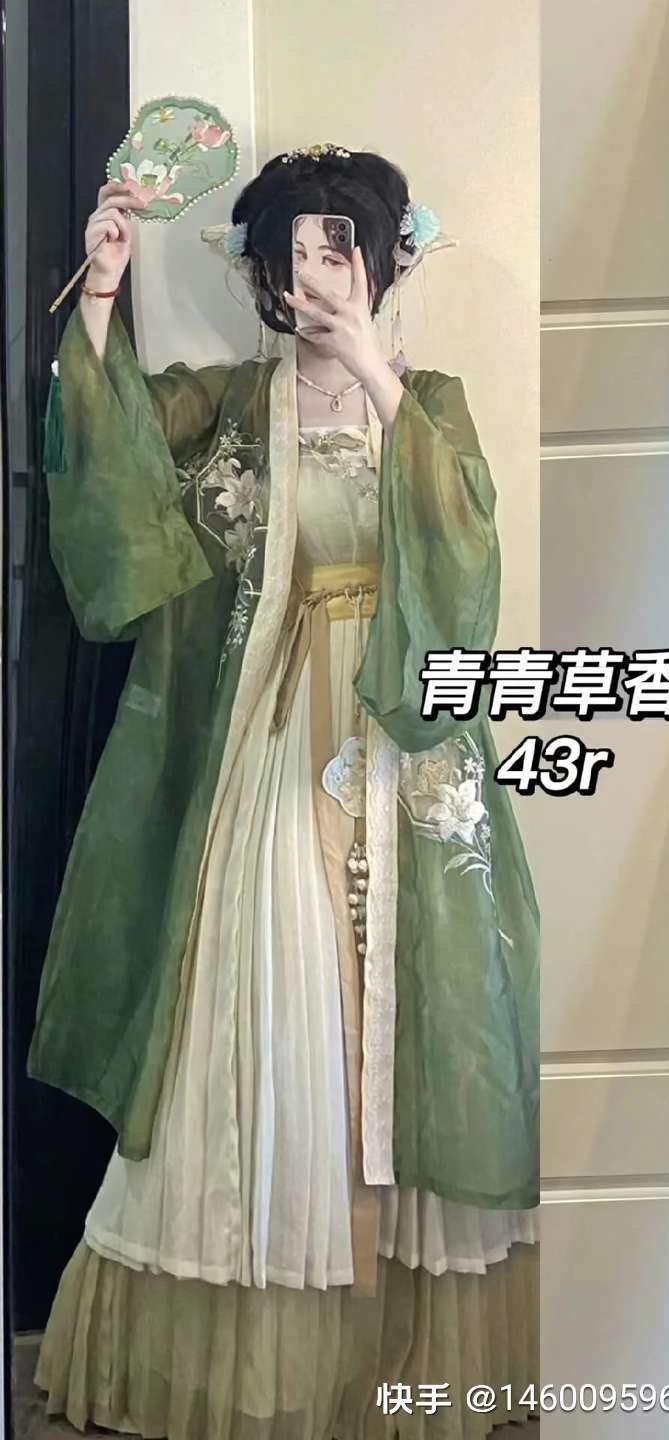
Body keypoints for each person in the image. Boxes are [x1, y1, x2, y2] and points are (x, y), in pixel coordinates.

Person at [30, 145, 539, 1439]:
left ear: (383, 263)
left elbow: (468, 552)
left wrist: (373, 368)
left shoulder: (430, 402)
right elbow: (114, 462)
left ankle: (395, 1333)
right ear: (262, 274)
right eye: (293, 254)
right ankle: (261, 1326)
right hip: (267, 735)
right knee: (270, 985)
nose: (313, 276)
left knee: (417, 1003)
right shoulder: (222, 404)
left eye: (337, 251)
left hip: (402, 730)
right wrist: (104, 289)